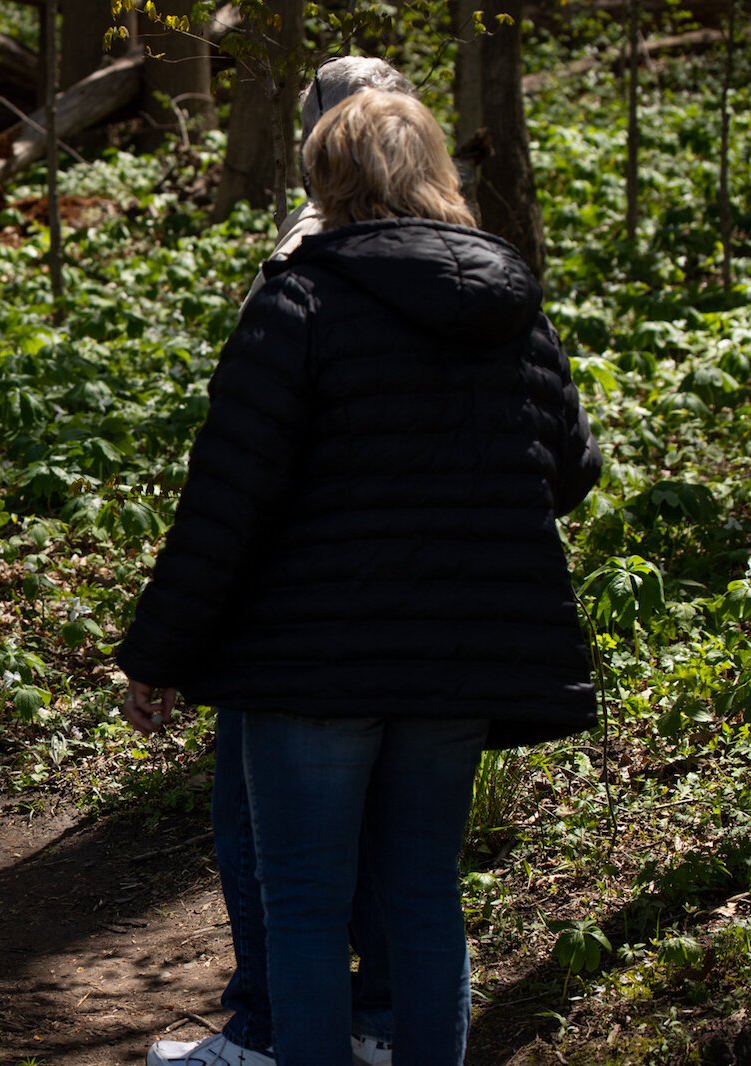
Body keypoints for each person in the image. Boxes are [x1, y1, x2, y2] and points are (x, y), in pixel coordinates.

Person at [119, 89, 601, 1066]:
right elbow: (572, 466)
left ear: (323, 177)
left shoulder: (298, 297)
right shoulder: (507, 304)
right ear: (433, 172)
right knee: (422, 895)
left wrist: (155, 654)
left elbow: (228, 498)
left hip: (313, 662)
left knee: (303, 902)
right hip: (458, 658)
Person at [149, 56, 417, 1066]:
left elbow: (251, 458)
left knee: (263, 840)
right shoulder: (461, 253)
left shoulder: (301, 260)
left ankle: (268, 1030)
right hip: (422, 606)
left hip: (294, 607)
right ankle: (380, 1022)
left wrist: (177, 632)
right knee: (398, 856)